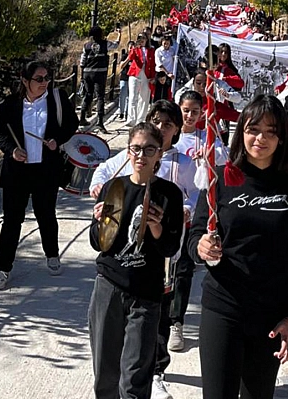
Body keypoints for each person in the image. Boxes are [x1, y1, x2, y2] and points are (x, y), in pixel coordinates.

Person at [188, 95, 288, 399]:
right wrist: (202, 246)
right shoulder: (219, 179)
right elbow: (195, 235)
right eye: (253, 129)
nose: (261, 138)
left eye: (271, 131)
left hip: (271, 315)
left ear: (282, 137)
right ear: (241, 132)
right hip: (223, 307)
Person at [88, 100, 197, 399]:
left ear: (159, 153)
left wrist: (158, 227)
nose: (141, 155)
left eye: (149, 149)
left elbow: (171, 247)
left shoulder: (169, 194)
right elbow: (99, 244)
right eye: (136, 148)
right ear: (127, 151)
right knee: (106, 374)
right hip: (109, 286)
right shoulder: (116, 187)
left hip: (146, 292)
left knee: (135, 376)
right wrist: (99, 222)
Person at [0, 61, 79, 290]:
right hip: (17, 172)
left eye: (47, 78)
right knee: (11, 220)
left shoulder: (56, 99)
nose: (44, 83)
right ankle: (3, 268)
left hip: (46, 170)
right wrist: (12, 150)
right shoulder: (11, 104)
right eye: (39, 79)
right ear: (25, 80)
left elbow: (72, 124)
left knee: (46, 214)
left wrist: (56, 140)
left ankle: (52, 255)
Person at [79, 26, 121, 132]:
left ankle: (82, 117)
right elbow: (116, 45)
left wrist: (82, 76)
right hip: (100, 73)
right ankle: (100, 121)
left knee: (88, 94)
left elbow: (82, 61)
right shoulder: (104, 43)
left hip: (87, 73)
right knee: (100, 97)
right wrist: (119, 34)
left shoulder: (86, 45)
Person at [120, 33, 156, 127]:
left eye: (144, 38)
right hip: (135, 73)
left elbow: (153, 64)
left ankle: (141, 119)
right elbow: (131, 57)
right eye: (140, 38)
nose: (142, 40)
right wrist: (135, 47)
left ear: (147, 39)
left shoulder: (151, 50)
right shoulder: (135, 49)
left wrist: (153, 77)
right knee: (133, 96)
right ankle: (131, 119)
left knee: (144, 98)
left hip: (146, 74)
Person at [118, 41, 136, 121]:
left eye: (133, 47)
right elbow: (121, 66)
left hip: (132, 78)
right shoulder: (125, 56)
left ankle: (127, 113)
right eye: (130, 47)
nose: (131, 49)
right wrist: (128, 59)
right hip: (124, 77)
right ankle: (121, 112)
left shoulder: (136, 56)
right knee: (123, 95)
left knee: (130, 97)